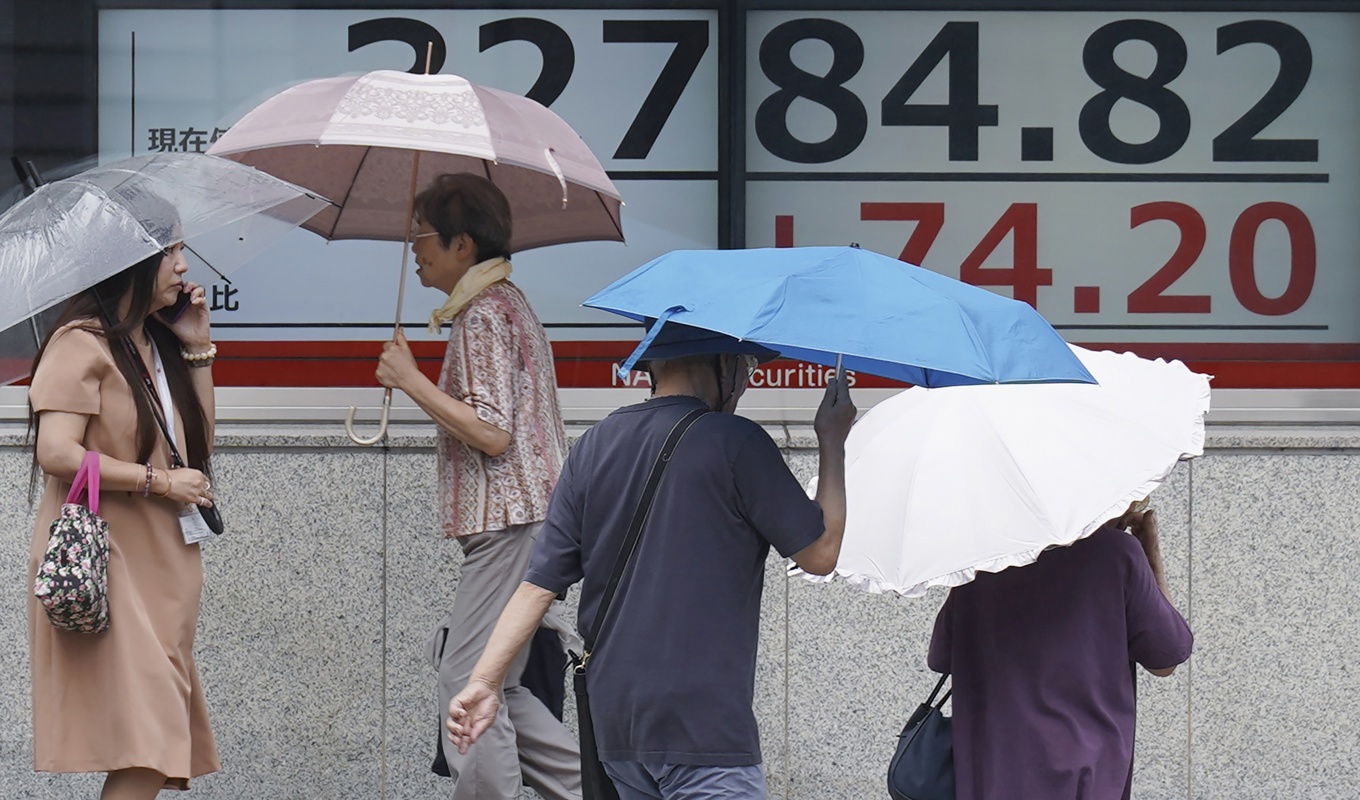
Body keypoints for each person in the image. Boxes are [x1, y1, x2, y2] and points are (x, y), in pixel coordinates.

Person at [445, 321, 858, 800]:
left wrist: (484, 681)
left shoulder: (594, 446)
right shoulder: (736, 442)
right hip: (704, 729)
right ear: (722, 365)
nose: (744, 382)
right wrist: (832, 440)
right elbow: (821, 553)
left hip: (618, 729)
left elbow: (537, 585)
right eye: (745, 368)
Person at [373, 172, 581, 799]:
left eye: (424, 237)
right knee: (499, 684)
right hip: (527, 518)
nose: (415, 250)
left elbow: (493, 433)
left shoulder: (485, 315)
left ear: (463, 244)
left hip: (510, 521)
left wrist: (411, 382)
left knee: (465, 678)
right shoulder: (502, 304)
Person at [27, 230, 221, 798]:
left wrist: (197, 347)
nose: (184, 266)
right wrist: (157, 482)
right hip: (107, 557)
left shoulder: (154, 342)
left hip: (164, 564)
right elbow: (57, 453)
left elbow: (198, 444)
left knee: (161, 742)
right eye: (169, 253)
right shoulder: (81, 343)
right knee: (152, 739)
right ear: (127, 260)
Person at [928, 505, 1193, 800]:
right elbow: (1166, 658)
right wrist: (1150, 557)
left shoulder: (986, 559)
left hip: (991, 770)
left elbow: (941, 657)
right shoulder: (1116, 553)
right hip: (1083, 774)